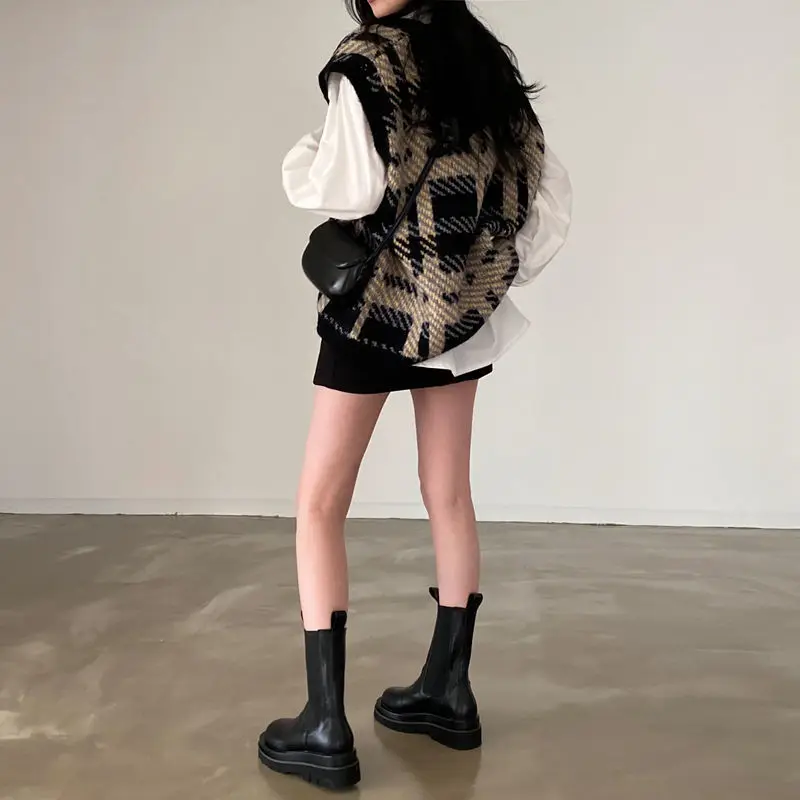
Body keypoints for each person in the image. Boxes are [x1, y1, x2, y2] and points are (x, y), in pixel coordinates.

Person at [258, 0, 572, 789]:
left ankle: (324, 725)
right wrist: (476, 274)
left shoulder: (369, 59)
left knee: (319, 503)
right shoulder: (481, 60)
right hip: (461, 316)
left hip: (378, 312)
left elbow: (348, 189)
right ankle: (447, 692)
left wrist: (306, 154)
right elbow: (539, 195)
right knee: (449, 494)